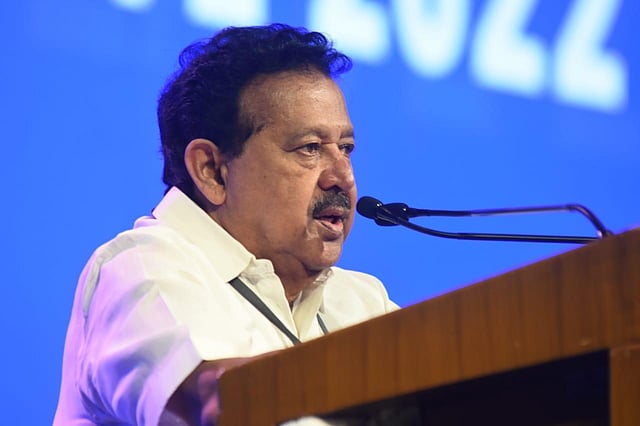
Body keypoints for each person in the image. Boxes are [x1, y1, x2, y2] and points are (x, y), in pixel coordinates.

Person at [54, 23, 398, 425]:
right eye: (309, 148)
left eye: (346, 148)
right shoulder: (142, 269)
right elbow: (218, 403)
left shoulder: (361, 301)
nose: (343, 177)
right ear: (212, 170)